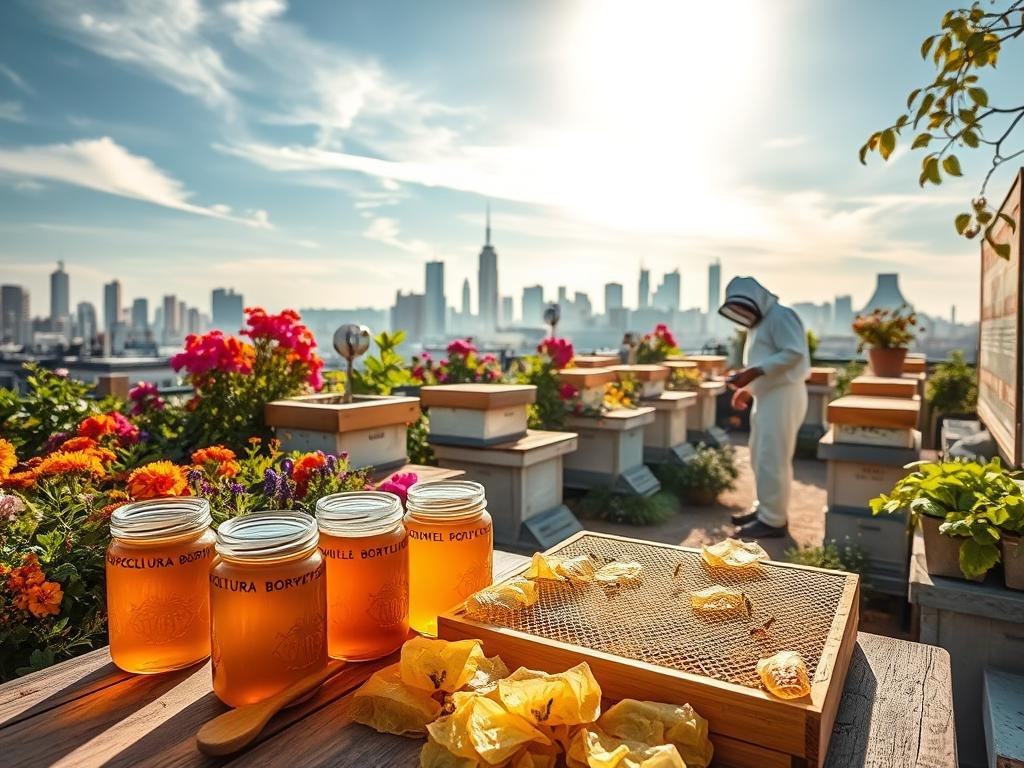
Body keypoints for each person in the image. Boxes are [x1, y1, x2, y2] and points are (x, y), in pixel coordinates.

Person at [718, 276, 810, 539]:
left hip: (783, 396)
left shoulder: (781, 316)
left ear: (757, 300)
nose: (742, 314)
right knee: (760, 456)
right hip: (768, 397)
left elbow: (794, 353)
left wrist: (753, 372)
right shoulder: (762, 323)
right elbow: (768, 362)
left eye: (745, 307)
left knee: (773, 458)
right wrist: (747, 390)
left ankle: (773, 520)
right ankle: (766, 509)